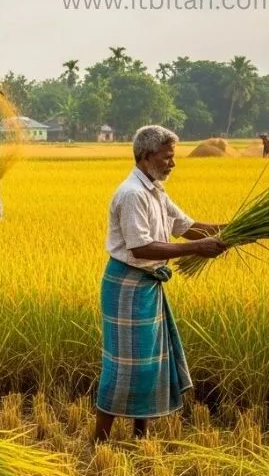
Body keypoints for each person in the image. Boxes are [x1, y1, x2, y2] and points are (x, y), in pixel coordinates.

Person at [95, 125, 228, 443]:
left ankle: (141, 435)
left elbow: (188, 226)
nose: (173, 163)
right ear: (146, 155)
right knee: (123, 366)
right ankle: (99, 440)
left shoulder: (155, 190)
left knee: (148, 364)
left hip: (148, 285)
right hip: (126, 286)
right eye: (167, 157)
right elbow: (141, 247)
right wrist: (197, 249)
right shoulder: (132, 194)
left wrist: (236, 230)